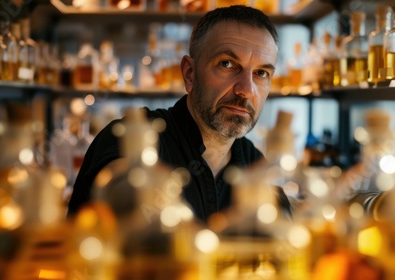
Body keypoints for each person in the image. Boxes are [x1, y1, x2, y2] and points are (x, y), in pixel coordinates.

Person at [68, 5, 291, 222]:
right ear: (190, 73)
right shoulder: (128, 139)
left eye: (261, 73)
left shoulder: (256, 165)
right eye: (227, 64)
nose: (246, 89)